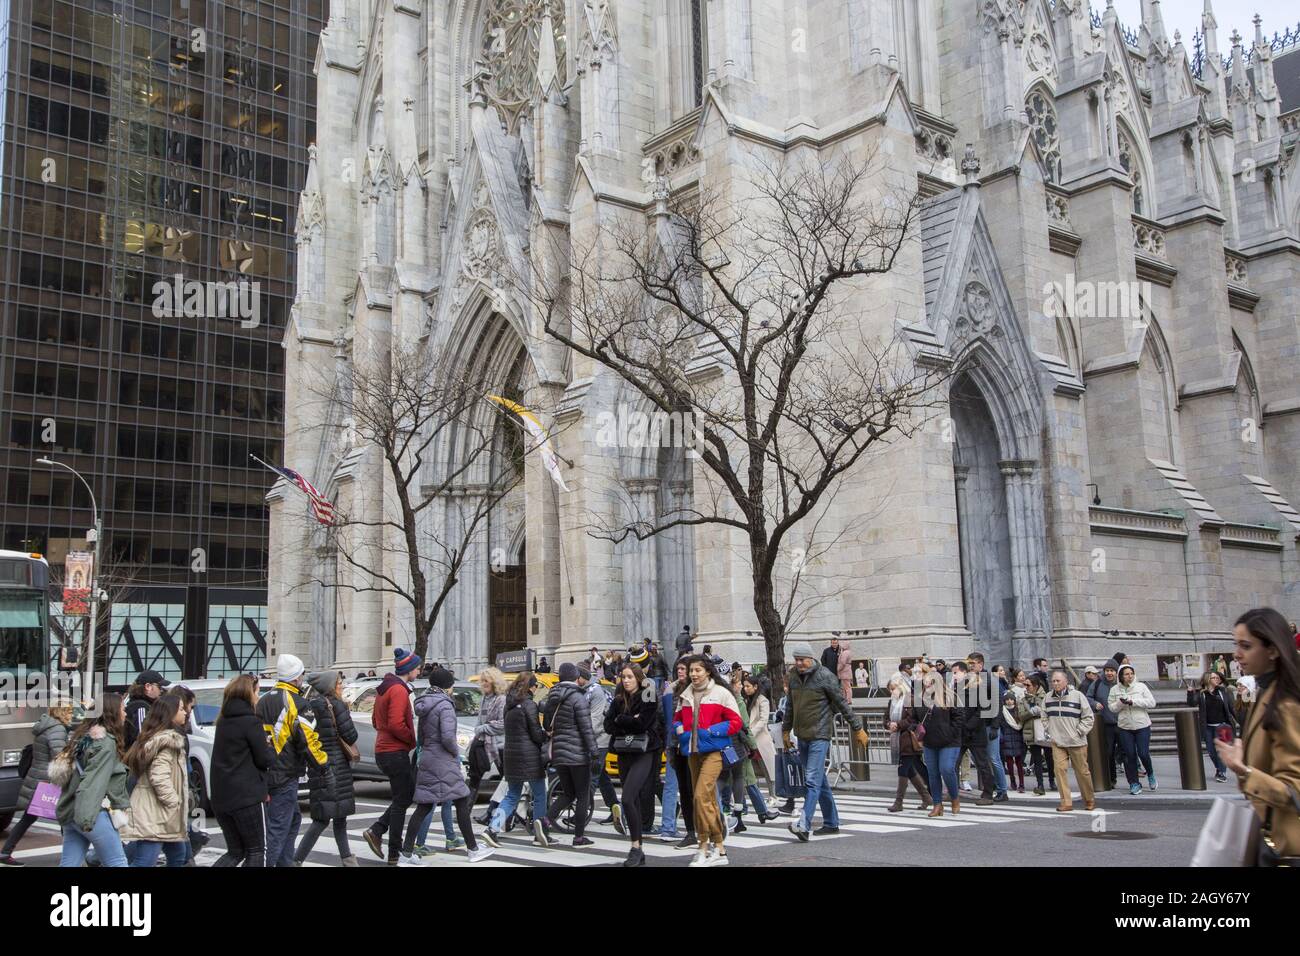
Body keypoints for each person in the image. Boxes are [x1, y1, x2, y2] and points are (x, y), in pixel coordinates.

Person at [1215, 607, 1300, 864]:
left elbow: (1295, 788)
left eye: (1246, 646)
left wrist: (1244, 771)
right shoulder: (1265, 691)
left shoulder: (1286, 704)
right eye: (1235, 644)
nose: (1236, 654)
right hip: (1270, 836)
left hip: (1288, 846)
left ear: (1272, 650)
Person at [401, 667, 494, 865]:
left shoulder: (425, 702)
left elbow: (424, 736)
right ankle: (473, 849)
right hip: (443, 760)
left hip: (428, 758)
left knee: (424, 806)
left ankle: (406, 854)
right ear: (447, 686)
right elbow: (448, 737)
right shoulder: (445, 705)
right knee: (461, 800)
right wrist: (456, 753)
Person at [782, 641, 869, 840]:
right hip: (802, 735)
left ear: (811, 659)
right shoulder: (794, 677)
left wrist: (857, 728)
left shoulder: (825, 677)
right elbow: (790, 706)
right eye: (796, 660)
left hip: (820, 735)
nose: (799, 663)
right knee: (819, 782)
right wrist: (786, 731)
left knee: (812, 780)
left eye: (802, 660)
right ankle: (831, 823)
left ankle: (804, 824)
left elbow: (842, 703)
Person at [256, 653, 328, 867]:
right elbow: (309, 740)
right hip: (285, 772)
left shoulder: (264, 699)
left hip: (267, 770)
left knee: (292, 819)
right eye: (302, 675)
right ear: (296, 677)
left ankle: (285, 863)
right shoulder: (298, 703)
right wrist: (323, 766)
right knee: (278, 829)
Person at [674, 654, 741, 866]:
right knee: (707, 800)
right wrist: (681, 732)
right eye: (691, 670)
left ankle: (703, 846)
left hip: (714, 751)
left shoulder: (721, 693)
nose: (693, 674)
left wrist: (712, 731)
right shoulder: (685, 695)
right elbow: (676, 719)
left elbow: (736, 722)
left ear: (708, 672)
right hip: (692, 751)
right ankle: (720, 850)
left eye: (697, 670)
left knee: (700, 797)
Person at [52, 693, 130, 867]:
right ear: (112, 713)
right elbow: (95, 781)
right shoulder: (105, 743)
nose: (125, 714)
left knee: (69, 864)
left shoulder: (81, 737)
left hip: (71, 810)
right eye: (123, 709)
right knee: (117, 862)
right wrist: (86, 819)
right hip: (91, 813)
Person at [363, 647, 421, 864]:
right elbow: (396, 723)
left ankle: (379, 831)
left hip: (385, 750)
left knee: (403, 797)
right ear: (409, 669)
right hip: (394, 751)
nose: (419, 670)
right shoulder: (397, 690)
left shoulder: (384, 688)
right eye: (417, 667)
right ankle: (393, 851)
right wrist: (411, 740)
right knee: (402, 800)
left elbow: (376, 722)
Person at [295, 672, 360, 865]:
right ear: (331, 686)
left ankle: (347, 859)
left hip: (319, 764)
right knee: (333, 819)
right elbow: (351, 736)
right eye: (339, 683)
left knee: (325, 816)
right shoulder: (338, 705)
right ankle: (296, 860)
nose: (341, 685)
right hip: (338, 765)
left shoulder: (310, 706)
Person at [0, 697, 73, 866]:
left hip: (37, 779)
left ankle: (5, 852)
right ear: (61, 712)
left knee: (29, 818)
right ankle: (71, 858)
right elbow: (59, 757)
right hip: (49, 781)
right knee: (66, 818)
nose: (71, 715)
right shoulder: (57, 730)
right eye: (69, 711)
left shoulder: (45, 726)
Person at [604, 661, 664, 866]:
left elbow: (644, 723)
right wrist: (626, 719)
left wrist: (622, 721)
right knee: (633, 801)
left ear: (639, 678)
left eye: (630, 677)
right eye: (624, 676)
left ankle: (635, 848)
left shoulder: (648, 694)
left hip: (644, 751)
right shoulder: (618, 699)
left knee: (628, 798)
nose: (626, 680)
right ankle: (637, 848)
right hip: (624, 753)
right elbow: (608, 725)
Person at [210, 674, 272, 867]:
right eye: (257, 691)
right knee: (256, 850)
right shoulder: (251, 721)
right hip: (247, 795)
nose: (258, 695)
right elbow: (264, 759)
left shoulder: (223, 720)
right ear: (249, 693)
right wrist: (270, 747)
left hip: (222, 796)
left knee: (235, 852)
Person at [482, 671, 550, 849]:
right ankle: (540, 832)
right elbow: (535, 733)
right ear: (531, 687)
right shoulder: (529, 705)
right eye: (535, 686)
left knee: (512, 795)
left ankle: (492, 829)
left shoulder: (509, 704)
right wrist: (546, 735)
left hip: (511, 754)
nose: (536, 690)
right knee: (540, 793)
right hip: (529, 756)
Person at [121, 695, 190, 867]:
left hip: (161, 811)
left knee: (178, 856)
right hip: (156, 811)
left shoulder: (161, 738)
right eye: (181, 709)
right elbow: (159, 777)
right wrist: (174, 802)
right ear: (170, 713)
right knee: (145, 861)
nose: (186, 713)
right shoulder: (168, 742)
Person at [543, 662, 598, 847]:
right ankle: (579, 837)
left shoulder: (552, 696)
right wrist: (595, 752)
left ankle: (544, 822)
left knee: (568, 793)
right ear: (575, 677)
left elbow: (547, 725)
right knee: (582, 794)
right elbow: (586, 728)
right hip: (578, 753)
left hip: (559, 753)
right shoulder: (578, 698)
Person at [1045, 669, 1096, 812]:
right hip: (1058, 741)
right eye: (1053, 681)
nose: (1055, 683)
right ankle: (1066, 802)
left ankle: (1089, 799)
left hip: (1076, 741)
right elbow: (1044, 716)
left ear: (1066, 681)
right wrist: (1050, 730)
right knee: (1059, 770)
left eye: (1058, 681)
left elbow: (1088, 717)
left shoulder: (1078, 696)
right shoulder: (1048, 698)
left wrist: (1079, 731)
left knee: (1082, 771)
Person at [576, 662, 620, 828]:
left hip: (600, 739)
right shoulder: (585, 690)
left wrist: (580, 735)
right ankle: (615, 807)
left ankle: (581, 814)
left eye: (576, 676)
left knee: (592, 777)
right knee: (602, 778)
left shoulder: (596, 691)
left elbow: (595, 721)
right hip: (592, 738)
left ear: (582, 677)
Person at [965, 653, 1009, 802]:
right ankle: (993, 787)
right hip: (978, 726)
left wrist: (996, 727)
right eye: (969, 663)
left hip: (989, 725)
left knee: (993, 758)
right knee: (983, 759)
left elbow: (998, 703)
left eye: (973, 663)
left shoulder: (990, 679)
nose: (970, 666)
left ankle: (1002, 790)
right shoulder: (971, 679)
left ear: (981, 664)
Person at [660, 659, 695, 846]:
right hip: (676, 744)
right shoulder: (671, 691)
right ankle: (669, 827)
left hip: (696, 745)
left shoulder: (698, 689)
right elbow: (666, 717)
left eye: (684, 669)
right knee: (675, 787)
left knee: (703, 788)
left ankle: (716, 824)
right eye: (678, 669)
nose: (681, 672)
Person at [916, 670, 961, 816]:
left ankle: (954, 798)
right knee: (933, 773)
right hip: (929, 740)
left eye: (930, 682)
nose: (927, 685)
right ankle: (937, 804)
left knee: (947, 769)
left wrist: (951, 733)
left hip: (949, 741)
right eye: (925, 682)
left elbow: (959, 717)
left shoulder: (949, 697)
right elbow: (914, 718)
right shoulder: (921, 698)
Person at [1110, 663, 1157, 794]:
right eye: (1126, 674)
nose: (1129, 676)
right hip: (1124, 726)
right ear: (1121, 676)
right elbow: (1112, 707)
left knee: (1143, 753)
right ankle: (1134, 783)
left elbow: (1152, 703)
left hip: (1142, 725)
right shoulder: (1114, 689)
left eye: (1131, 673)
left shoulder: (1141, 686)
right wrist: (1121, 702)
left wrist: (1133, 701)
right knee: (1129, 755)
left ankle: (1151, 774)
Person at [886, 677, 932, 813]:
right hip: (897, 740)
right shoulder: (892, 702)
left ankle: (898, 801)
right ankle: (926, 797)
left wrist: (898, 725)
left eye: (893, 689)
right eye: (890, 689)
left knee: (903, 769)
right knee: (910, 770)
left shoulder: (910, 700)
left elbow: (913, 719)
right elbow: (885, 718)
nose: (891, 692)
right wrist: (889, 724)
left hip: (909, 740)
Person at [468, 667, 508, 821]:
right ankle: (465, 813)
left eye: (486, 680)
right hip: (483, 743)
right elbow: (480, 720)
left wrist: (483, 728)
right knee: (474, 777)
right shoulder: (484, 698)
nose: (483, 683)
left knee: (506, 781)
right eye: (482, 680)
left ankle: (496, 814)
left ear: (494, 682)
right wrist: (478, 731)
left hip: (499, 745)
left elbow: (502, 724)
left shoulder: (501, 700)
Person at [1188, 670, 1238, 782]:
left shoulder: (1224, 691)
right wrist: (1190, 692)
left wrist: (1240, 721)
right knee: (1211, 751)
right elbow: (1192, 703)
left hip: (1223, 726)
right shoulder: (1201, 693)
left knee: (1222, 751)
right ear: (1207, 680)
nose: (1217, 679)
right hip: (1208, 727)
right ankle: (1219, 768)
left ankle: (1222, 772)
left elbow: (1231, 708)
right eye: (1214, 678)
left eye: (1218, 678)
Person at [743, 674, 778, 802]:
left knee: (768, 770)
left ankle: (773, 795)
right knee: (750, 770)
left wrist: (751, 733)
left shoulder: (762, 700)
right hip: (749, 740)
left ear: (755, 687)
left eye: (748, 686)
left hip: (760, 740)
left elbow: (763, 720)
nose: (745, 688)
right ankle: (754, 797)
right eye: (744, 686)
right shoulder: (746, 701)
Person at [1017, 673, 1054, 794]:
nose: (1026, 687)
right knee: (1037, 760)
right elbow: (1020, 716)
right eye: (1025, 685)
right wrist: (1031, 713)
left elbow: (1050, 710)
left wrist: (1038, 706)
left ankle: (1052, 781)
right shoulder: (1023, 699)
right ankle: (1040, 785)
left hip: (1046, 731)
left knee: (1050, 758)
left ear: (1036, 686)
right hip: (1032, 732)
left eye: (1028, 685)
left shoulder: (1047, 696)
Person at [1087, 660, 1121, 788]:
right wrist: (1095, 704)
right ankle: (1111, 779)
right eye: (1107, 671)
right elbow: (1088, 697)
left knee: (1127, 752)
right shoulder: (1098, 683)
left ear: (1116, 672)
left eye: (1112, 671)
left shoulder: (1120, 683)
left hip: (1122, 723)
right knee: (1109, 753)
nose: (1109, 673)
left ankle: (1133, 780)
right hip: (1106, 724)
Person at [124, 669, 169, 749]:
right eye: (159, 686)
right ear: (148, 686)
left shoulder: (141, 704)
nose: (161, 690)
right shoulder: (141, 707)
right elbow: (141, 738)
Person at [999, 689, 1027, 793]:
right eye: (1007, 699)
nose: (1009, 701)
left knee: (1019, 763)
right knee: (1009, 763)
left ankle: (1022, 784)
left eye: (1011, 699)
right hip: (1006, 739)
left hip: (1018, 739)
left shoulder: (1018, 710)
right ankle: (1012, 781)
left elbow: (1021, 724)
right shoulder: (1002, 711)